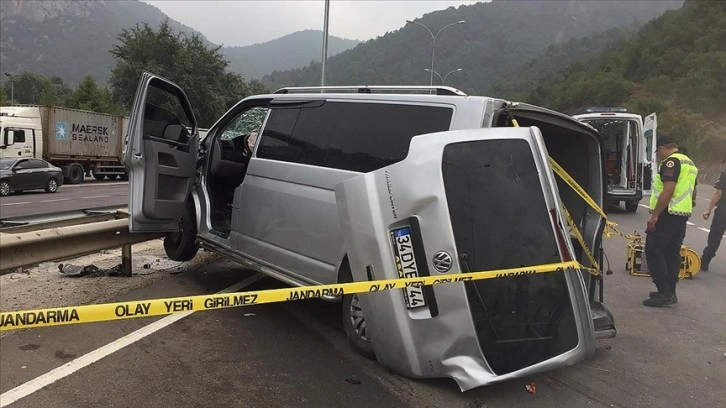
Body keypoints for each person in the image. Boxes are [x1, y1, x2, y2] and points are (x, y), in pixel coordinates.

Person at [643, 136, 698, 307]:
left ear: (661, 148)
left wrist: (655, 215)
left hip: (667, 213)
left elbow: (668, 190)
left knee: (653, 251)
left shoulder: (670, 162)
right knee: (671, 253)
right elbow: (693, 191)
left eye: (657, 152)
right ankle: (670, 292)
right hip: (681, 214)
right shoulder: (690, 162)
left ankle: (663, 292)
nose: (658, 156)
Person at [700, 163, 726, 271]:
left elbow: (718, 193)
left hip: (723, 209)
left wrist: (709, 209)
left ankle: (705, 261)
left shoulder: (725, 172)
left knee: (715, 237)